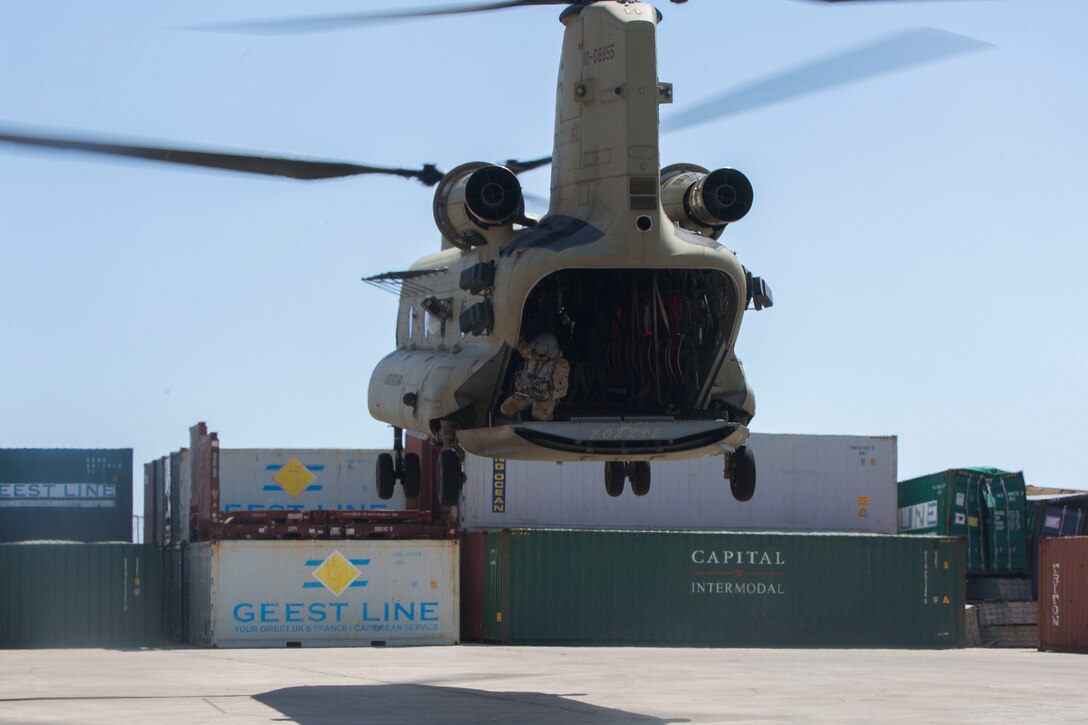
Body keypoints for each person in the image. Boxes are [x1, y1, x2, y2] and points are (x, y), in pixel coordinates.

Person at [499, 332, 570, 422]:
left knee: (539, 417)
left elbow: (562, 390)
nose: (539, 359)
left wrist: (546, 394)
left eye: (542, 356)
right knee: (506, 408)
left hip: (545, 398)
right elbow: (520, 345)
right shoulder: (534, 356)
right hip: (527, 393)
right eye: (537, 355)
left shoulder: (560, 364)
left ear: (551, 351)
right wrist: (528, 346)